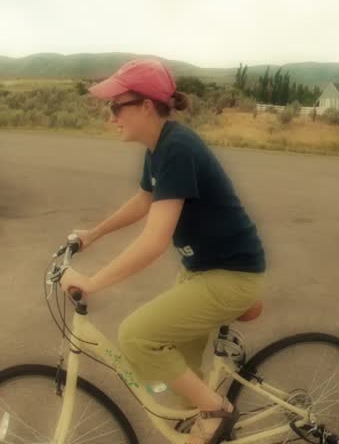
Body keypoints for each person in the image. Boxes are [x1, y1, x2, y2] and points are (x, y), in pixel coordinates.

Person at [59, 59, 265, 444]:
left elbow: (154, 241)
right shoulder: (159, 148)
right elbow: (144, 199)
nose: (111, 117)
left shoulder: (178, 148)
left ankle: (217, 411)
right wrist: (92, 235)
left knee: (136, 337)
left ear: (147, 105)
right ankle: (201, 415)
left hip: (230, 275)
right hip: (201, 271)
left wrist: (92, 282)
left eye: (117, 106)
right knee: (179, 377)